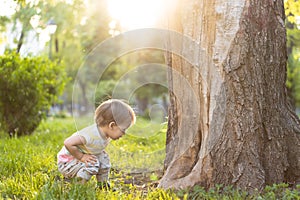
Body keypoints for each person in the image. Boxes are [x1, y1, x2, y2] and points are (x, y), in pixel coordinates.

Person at [57, 99, 136, 189]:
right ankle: (78, 187)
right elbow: (68, 143)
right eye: (123, 130)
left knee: (104, 159)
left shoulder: (105, 133)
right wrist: (82, 157)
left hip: (80, 157)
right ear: (112, 126)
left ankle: (102, 185)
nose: (124, 134)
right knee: (92, 164)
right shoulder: (90, 135)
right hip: (67, 163)